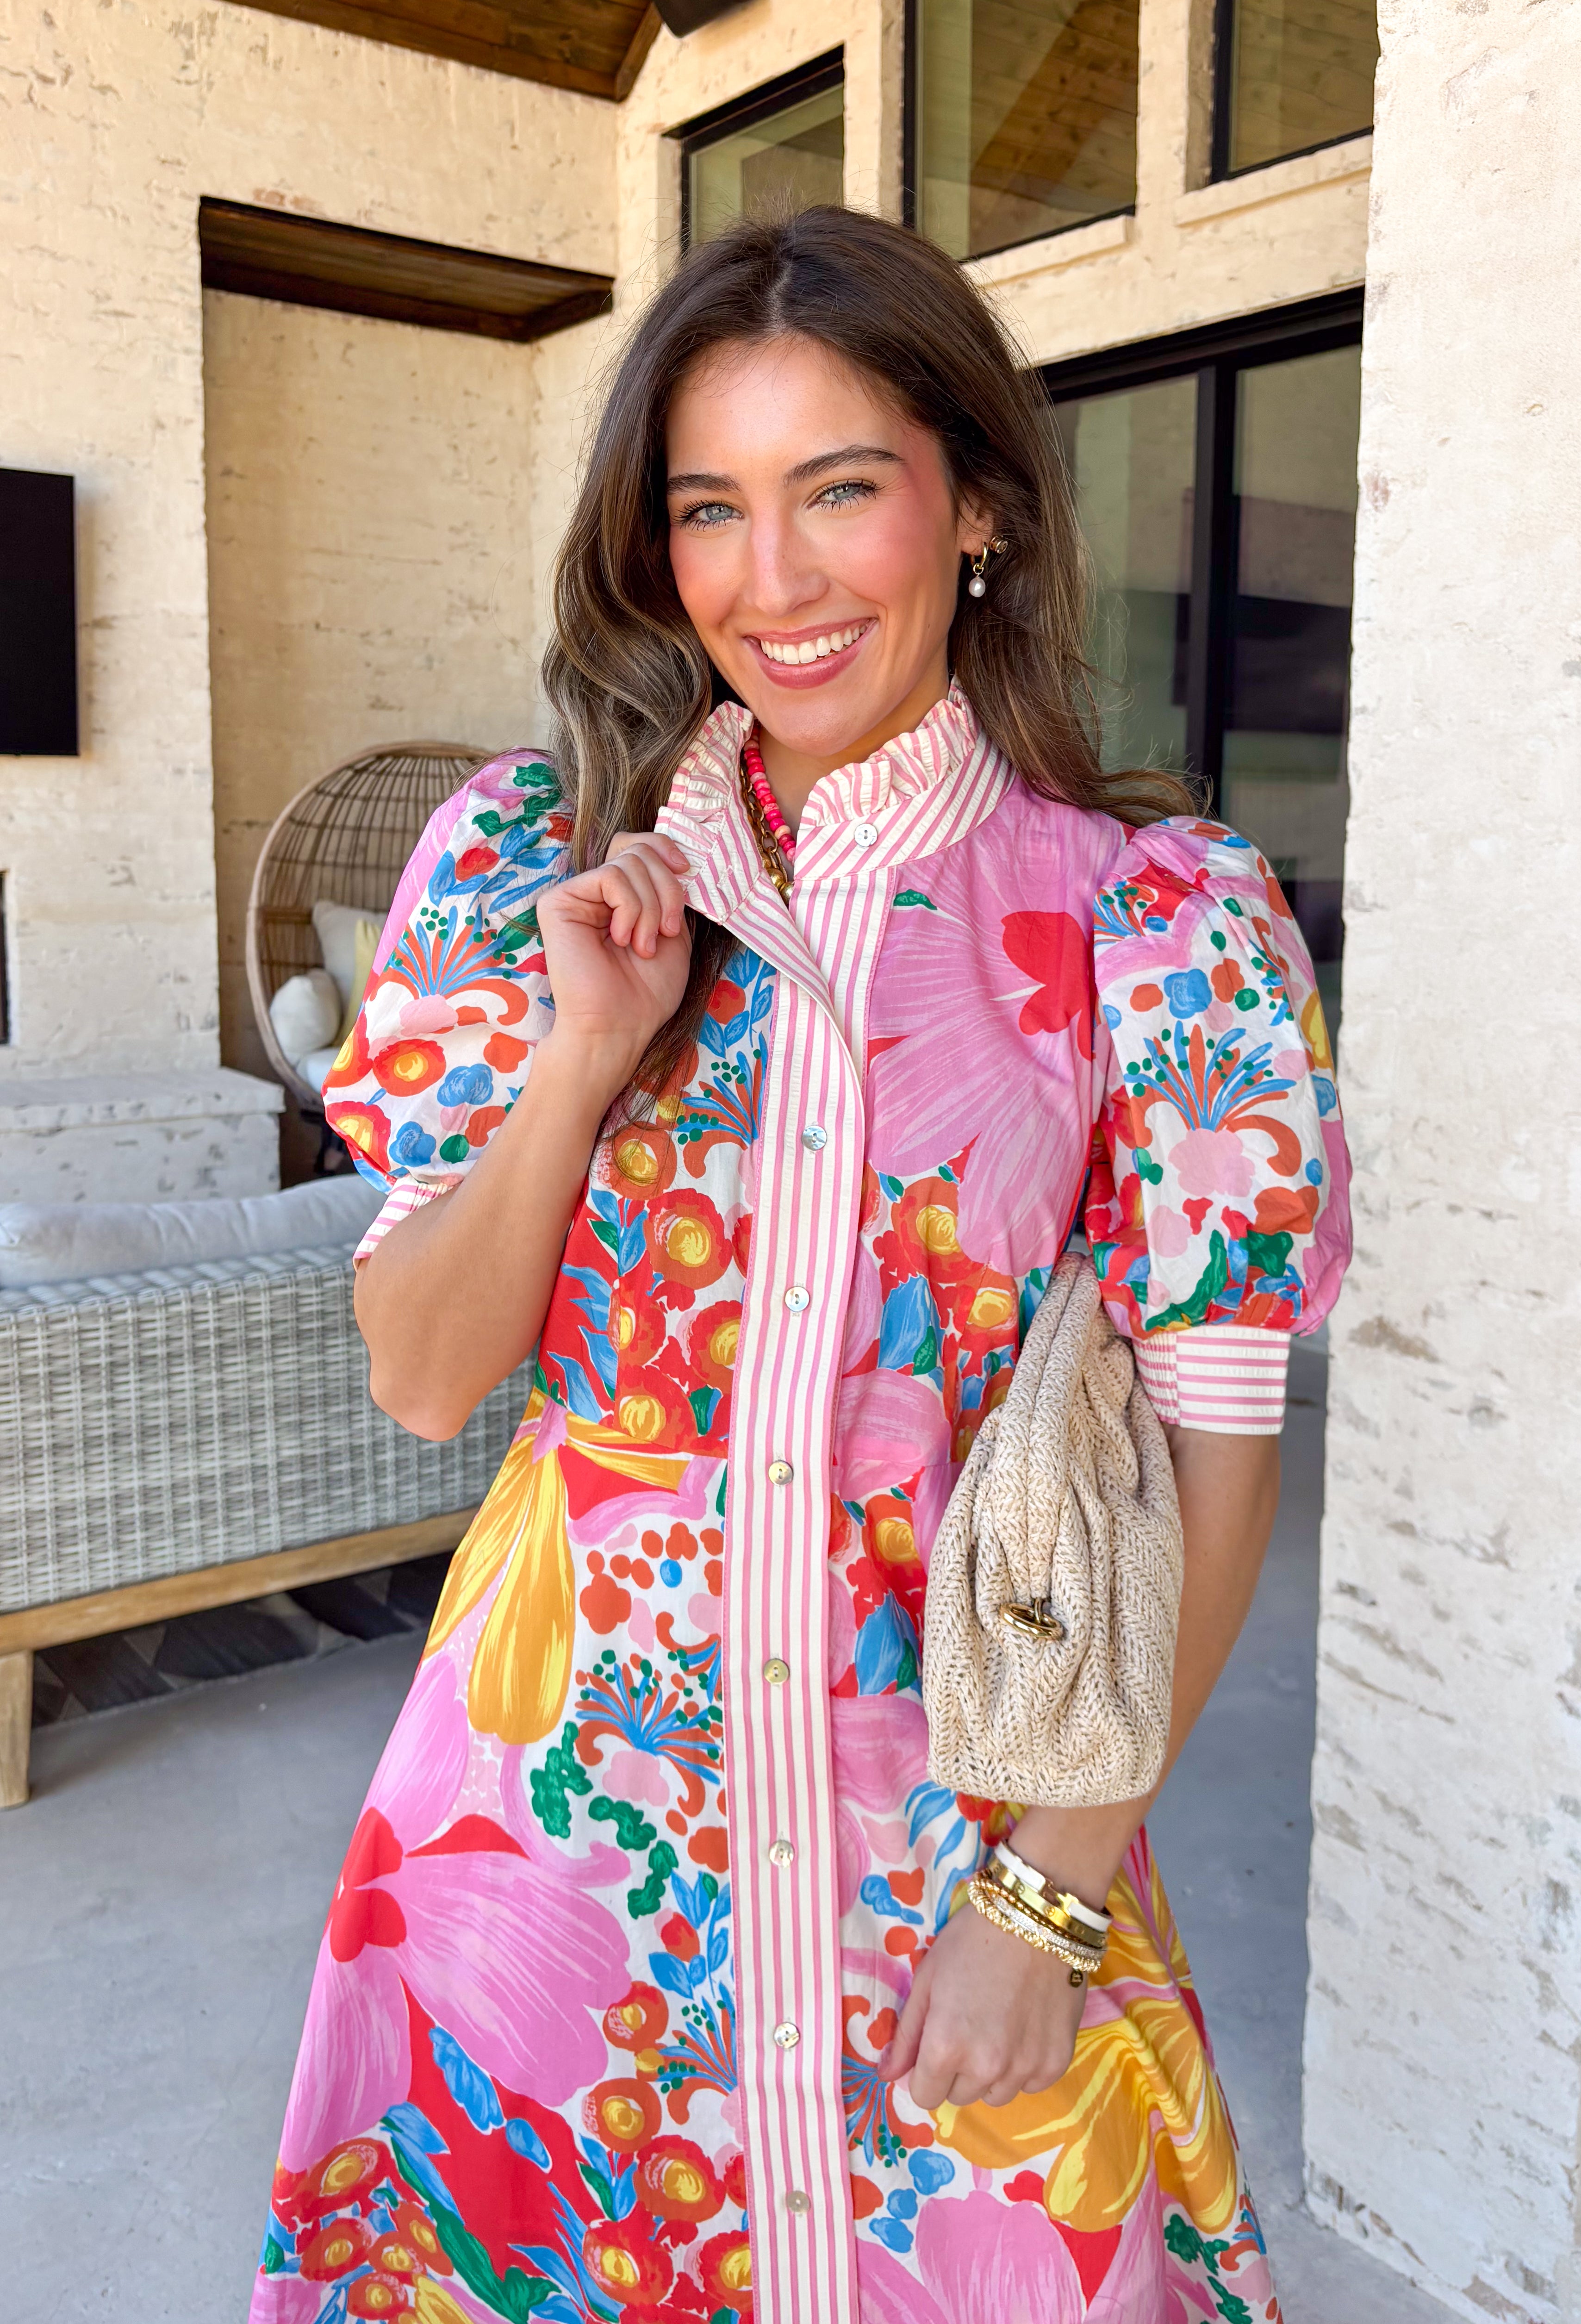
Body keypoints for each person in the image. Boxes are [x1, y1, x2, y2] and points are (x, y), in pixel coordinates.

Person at [249, 206, 1350, 2324]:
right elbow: (418, 1369)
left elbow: (1208, 1477)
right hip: (553, 1853)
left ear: (979, 514)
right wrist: (585, 1052)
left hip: (960, 1851)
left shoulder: (1154, 916)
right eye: (710, 508)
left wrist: (1045, 1891)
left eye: (839, 486)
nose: (776, 578)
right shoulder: (521, 859)